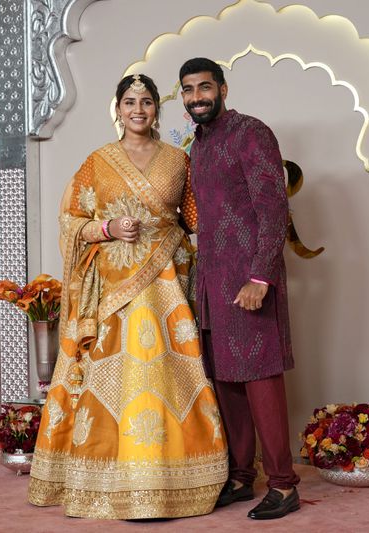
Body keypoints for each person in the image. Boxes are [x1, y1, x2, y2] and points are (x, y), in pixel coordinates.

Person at [27, 73, 228, 519]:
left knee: (169, 381)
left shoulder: (179, 160)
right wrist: (107, 229)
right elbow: (69, 220)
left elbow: (197, 220)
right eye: (130, 102)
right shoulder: (97, 162)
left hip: (164, 288)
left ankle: (170, 483)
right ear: (117, 109)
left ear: (158, 109)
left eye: (147, 102)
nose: (138, 110)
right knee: (109, 383)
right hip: (112, 291)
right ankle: (102, 482)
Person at [179, 58, 300, 520]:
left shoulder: (250, 132)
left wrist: (260, 277)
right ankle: (241, 476)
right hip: (211, 282)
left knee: (260, 377)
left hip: (250, 280)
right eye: (188, 90)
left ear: (223, 88)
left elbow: (273, 208)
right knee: (226, 379)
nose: (197, 98)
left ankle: (284, 486)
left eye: (204, 87)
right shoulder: (198, 145)